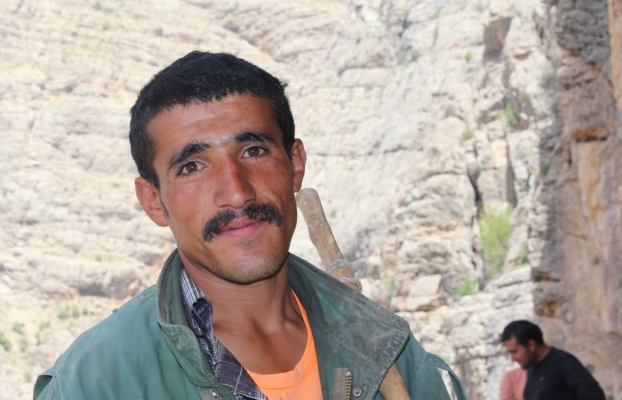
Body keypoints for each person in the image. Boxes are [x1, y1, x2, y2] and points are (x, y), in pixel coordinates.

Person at [33, 51, 465, 400]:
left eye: (254, 151)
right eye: (192, 166)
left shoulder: (389, 351)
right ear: (153, 201)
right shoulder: (96, 383)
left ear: (295, 165)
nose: (237, 192)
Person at [500, 320, 605, 400]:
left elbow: (595, 396)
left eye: (515, 352)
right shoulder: (531, 369)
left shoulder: (563, 362)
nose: (512, 358)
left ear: (531, 345)